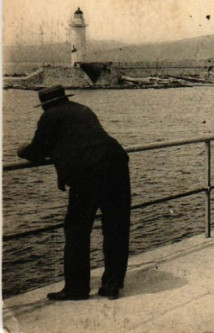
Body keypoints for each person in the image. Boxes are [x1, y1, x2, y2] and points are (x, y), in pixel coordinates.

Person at [17, 85, 131, 301]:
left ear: (45, 105)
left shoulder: (50, 116)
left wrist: (21, 150)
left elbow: (37, 150)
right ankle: (112, 286)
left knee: (77, 229)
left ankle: (76, 289)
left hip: (89, 172)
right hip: (116, 163)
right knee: (116, 226)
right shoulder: (82, 109)